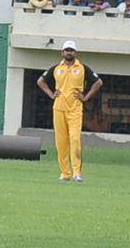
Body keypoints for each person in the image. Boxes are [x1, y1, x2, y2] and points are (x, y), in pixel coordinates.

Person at [36, 41, 101, 183]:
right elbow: (40, 81)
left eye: (71, 50)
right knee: (61, 142)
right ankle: (65, 173)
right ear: (62, 52)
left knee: (75, 139)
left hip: (75, 109)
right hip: (59, 108)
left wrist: (86, 97)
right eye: (66, 50)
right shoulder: (56, 68)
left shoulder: (83, 68)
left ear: (75, 53)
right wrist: (51, 94)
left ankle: (77, 172)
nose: (69, 52)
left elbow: (98, 82)